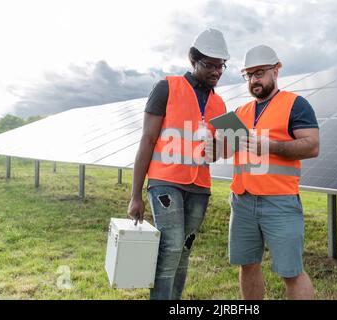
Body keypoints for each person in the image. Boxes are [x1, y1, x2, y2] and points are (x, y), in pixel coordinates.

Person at [127, 28, 229, 300]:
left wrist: (221, 146)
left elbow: (219, 154)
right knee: (170, 246)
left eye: (221, 66)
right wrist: (135, 195)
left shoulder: (220, 104)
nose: (217, 71)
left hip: (199, 188)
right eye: (210, 65)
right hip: (165, 183)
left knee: (184, 250)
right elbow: (147, 140)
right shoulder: (166, 87)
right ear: (193, 60)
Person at [220, 45, 319, 300]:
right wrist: (214, 147)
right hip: (242, 201)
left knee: (292, 272)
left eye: (260, 72)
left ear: (277, 70)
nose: (254, 80)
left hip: (279, 202)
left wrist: (271, 146)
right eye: (249, 75)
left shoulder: (296, 105)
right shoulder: (241, 112)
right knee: (248, 265)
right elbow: (227, 152)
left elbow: (312, 146)